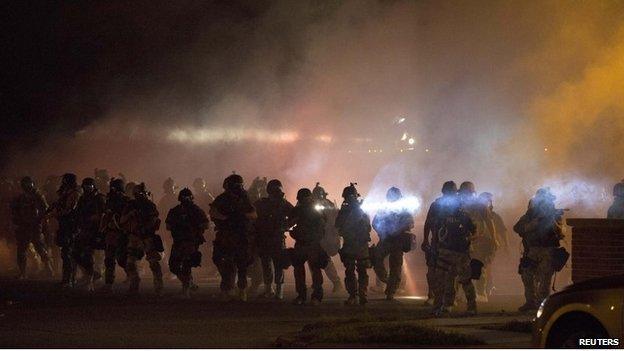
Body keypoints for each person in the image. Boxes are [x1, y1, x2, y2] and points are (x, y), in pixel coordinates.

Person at [514, 188, 564, 312]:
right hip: (532, 250)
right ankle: (530, 302)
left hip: (548, 250)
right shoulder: (531, 214)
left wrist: (552, 221)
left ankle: (543, 305)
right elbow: (518, 227)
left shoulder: (554, 215)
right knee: (527, 276)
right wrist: (535, 222)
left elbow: (562, 233)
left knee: (545, 279)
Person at [210, 174, 257, 301]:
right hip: (227, 235)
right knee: (224, 262)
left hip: (240, 236)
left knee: (241, 264)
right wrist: (227, 218)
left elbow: (253, 214)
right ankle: (229, 289)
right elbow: (213, 212)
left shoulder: (245, 198)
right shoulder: (223, 198)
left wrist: (241, 216)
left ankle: (239, 291)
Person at [431, 191, 477, 316]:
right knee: (444, 279)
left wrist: (468, 239)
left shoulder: (465, 217)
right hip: (446, 251)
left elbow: (475, 232)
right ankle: (443, 305)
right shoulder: (444, 216)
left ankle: (471, 306)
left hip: (460, 253)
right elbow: (437, 231)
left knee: (465, 280)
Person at [120, 183, 164, 295]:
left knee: (153, 263)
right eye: (139, 193)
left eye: (143, 193)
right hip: (135, 237)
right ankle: (134, 284)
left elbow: (154, 220)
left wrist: (145, 228)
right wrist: (130, 214)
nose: (141, 195)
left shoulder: (150, 205)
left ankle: (158, 286)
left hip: (147, 236)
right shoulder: (131, 205)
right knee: (130, 263)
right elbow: (122, 220)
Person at [253, 179, 293, 300]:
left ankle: (276, 291)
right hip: (267, 237)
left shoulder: (282, 203)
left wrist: (286, 226)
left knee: (276, 264)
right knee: (269, 264)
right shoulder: (263, 203)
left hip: (274, 237)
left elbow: (295, 215)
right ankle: (271, 290)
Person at [372, 187, 414, 301]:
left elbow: (410, 223)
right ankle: (385, 279)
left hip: (398, 241)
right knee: (375, 258)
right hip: (386, 239)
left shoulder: (404, 209)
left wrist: (398, 229)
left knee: (395, 267)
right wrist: (382, 231)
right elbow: (375, 222)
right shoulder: (384, 208)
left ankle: (391, 291)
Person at [166, 188, 209, 298]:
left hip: (191, 241)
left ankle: (186, 290)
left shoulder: (196, 210)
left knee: (186, 265)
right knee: (173, 265)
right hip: (179, 241)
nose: (185, 199)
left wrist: (194, 228)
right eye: (184, 197)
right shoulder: (175, 211)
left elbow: (205, 224)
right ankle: (188, 283)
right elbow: (168, 226)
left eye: (187, 197)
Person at [458, 182, 497, 302]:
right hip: (464, 240)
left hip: (479, 240)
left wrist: (494, 239)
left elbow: (489, 222)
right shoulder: (460, 204)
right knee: (462, 266)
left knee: (478, 266)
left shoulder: (480, 205)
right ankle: (463, 294)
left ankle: (481, 293)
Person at [289, 188, 328, 305]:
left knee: (313, 270)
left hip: (311, 243)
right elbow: (290, 224)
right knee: (303, 270)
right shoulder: (300, 210)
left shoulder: (315, 210)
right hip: (303, 242)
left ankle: (312, 296)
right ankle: (307, 295)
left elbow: (322, 226)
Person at [10, 176, 54, 279]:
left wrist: (41, 221)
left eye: (29, 183)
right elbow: (15, 211)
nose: (27, 186)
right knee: (21, 249)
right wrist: (16, 220)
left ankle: (49, 269)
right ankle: (23, 273)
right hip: (23, 226)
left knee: (40, 247)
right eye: (25, 184)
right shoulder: (21, 197)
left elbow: (45, 209)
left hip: (35, 225)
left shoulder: (38, 195)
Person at [422, 181, 458, 305]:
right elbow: (428, 223)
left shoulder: (458, 206)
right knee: (432, 272)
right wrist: (425, 239)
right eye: (451, 191)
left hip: (452, 245)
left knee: (451, 273)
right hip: (436, 244)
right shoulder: (436, 205)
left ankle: (449, 299)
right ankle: (432, 295)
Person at [335, 183, 371, 305]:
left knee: (355, 271)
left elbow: (338, 227)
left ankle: (357, 295)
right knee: (357, 271)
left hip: (354, 244)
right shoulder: (358, 211)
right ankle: (360, 295)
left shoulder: (352, 211)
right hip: (356, 245)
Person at [49, 173, 82, 287]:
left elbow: (69, 209)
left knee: (69, 253)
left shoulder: (74, 193)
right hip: (65, 225)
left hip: (71, 226)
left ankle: (70, 279)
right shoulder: (65, 192)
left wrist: (55, 214)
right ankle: (67, 279)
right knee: (66, 253)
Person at [74, 177, 106, 291]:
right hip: (84, 230)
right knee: (75, 253)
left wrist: (100, 231)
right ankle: (90, 274)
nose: (87, 188)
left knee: (89, 255)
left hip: (95, 231)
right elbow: (78, 213)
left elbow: (102, 215)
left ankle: (90, 279)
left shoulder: (99, 198)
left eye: (90, 185)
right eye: (86, 186)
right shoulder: (83, 198)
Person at [312, 183, 344, 293]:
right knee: (315, 261)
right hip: (318, 237)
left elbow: (333, 221)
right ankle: (317, 283)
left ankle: (336, 282)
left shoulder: (327, 205)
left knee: (324, 260)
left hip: (326, 237)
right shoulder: (317, 204)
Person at [100, 178, 131, 292]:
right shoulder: (110, 200)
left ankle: (131, 276)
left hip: (121, 233)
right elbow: (106, 215)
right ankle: (109, 283)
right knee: (109, 259)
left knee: (122, 259)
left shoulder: (127, 201)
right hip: (111, 233)